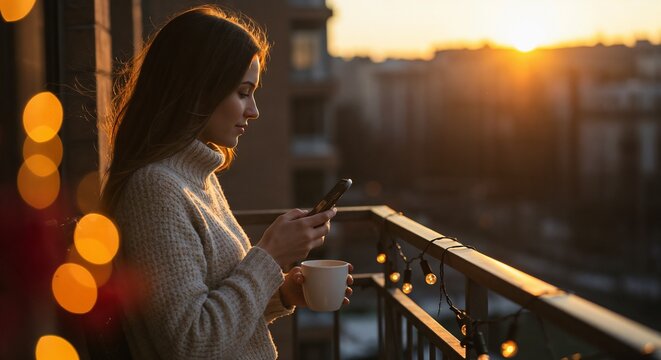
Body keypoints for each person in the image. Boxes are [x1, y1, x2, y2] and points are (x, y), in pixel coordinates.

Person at [100, 5, 352, 359]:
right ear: (198, 88)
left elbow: (217, 318)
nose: (254, 110)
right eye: (243, 91)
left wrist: (281, 296)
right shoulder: (154, 189)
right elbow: (190, 343)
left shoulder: (196, 177)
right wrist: (269, 255)